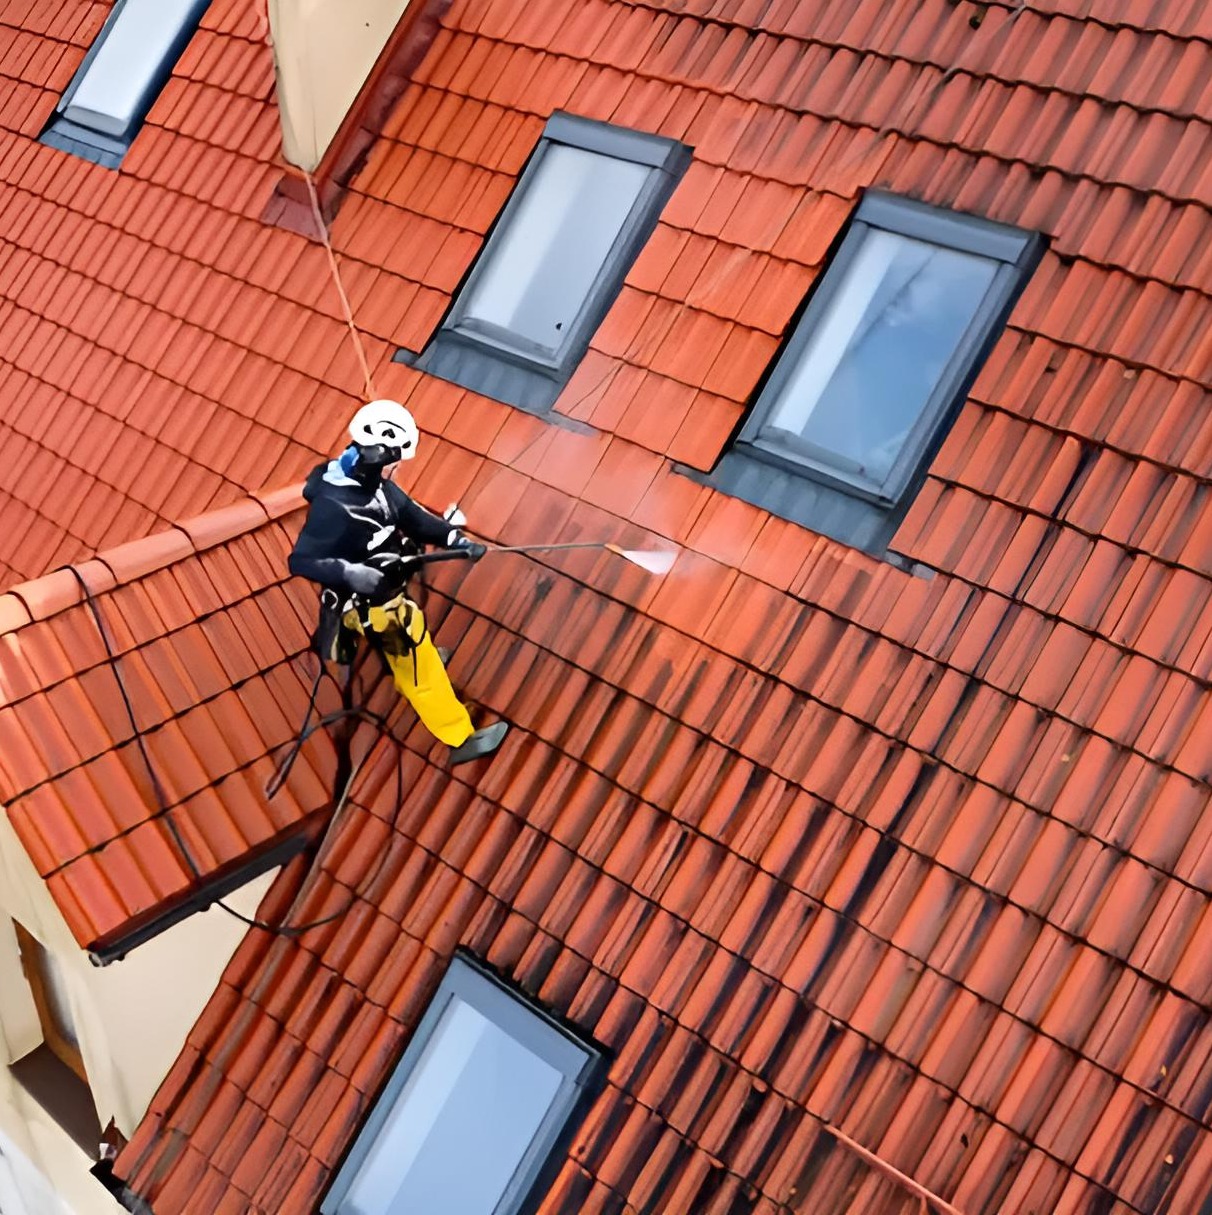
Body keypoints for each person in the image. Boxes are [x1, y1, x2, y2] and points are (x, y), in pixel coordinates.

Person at [288, 399, 508, 766]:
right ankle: (459, 738)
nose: (397, 468)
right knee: (417, 665)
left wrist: (455, 541)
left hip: (380, 594)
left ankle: (395, 654)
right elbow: (302, 560)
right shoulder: (335, 505)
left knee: (405, 629)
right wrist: (352, 573)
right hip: (371, 606)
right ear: (377, 454)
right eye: (395, 460)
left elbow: (413, 518)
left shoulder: (376, 486)